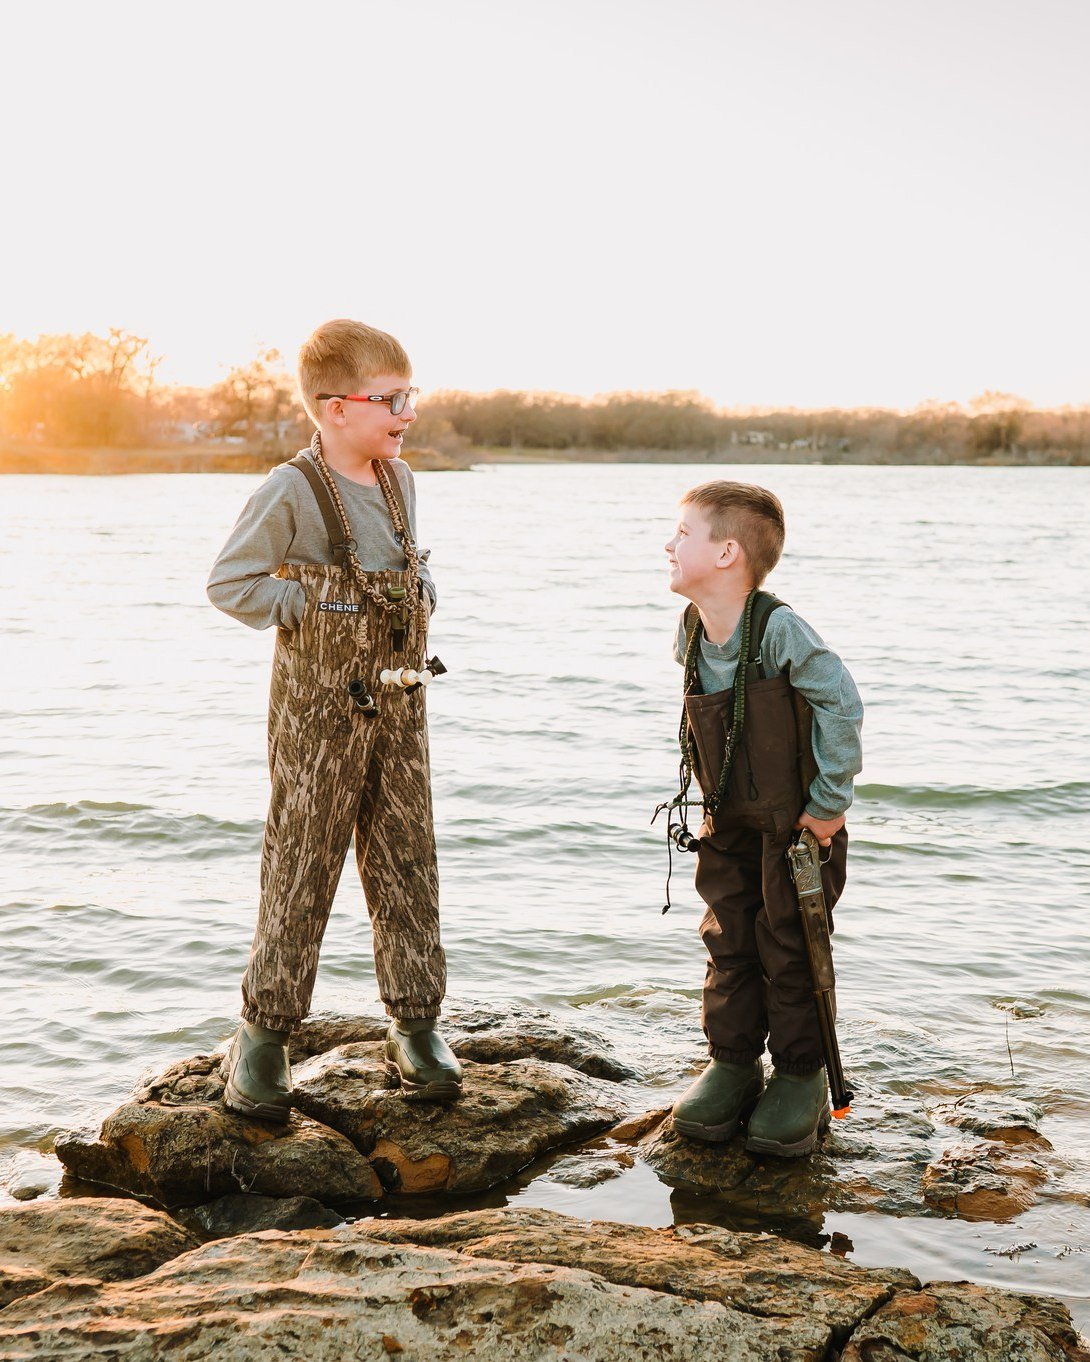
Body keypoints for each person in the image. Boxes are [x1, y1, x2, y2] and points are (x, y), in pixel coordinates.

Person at [206, 318, 461, 1123]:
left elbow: (397, 570)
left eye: (409, 396)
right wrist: (308, 604)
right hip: (318, 712)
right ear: (334, 408)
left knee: (406, 858)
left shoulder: (400, 480)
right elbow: (231, 582)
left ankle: (415, 1025)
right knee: (302, 861)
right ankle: (265, 1037)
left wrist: (417, 596)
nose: (407, 412)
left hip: (399, 700)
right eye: (391, 398)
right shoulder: (292, 489)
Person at [663, 481, 863, 1156]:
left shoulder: (778, 628)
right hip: (728, 817)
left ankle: (801, 1075)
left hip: (797, 829)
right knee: (729, 937)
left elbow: (840, 703)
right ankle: (734, 1061)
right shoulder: (691, 631)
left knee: (790, 945)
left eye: (682, 534)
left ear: (725, 553)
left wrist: (829, 805)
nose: (668, 544)